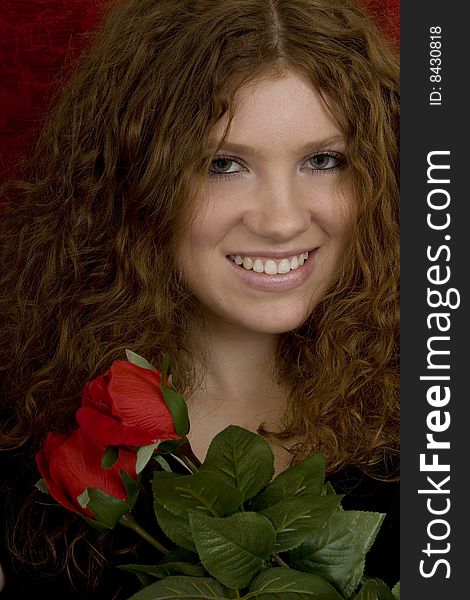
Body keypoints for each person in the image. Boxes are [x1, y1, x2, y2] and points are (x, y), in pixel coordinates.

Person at [0, 0, 400, 597]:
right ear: (133, 180)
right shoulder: (20, 436)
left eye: (323, 161)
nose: (283, 220)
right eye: (224, 164)